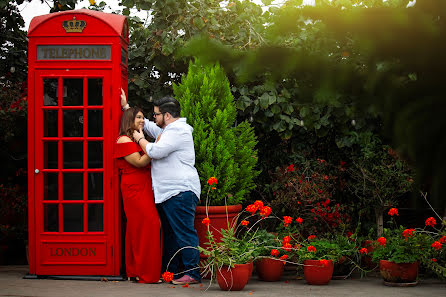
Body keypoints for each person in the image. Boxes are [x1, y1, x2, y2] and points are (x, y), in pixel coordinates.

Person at [121, 89, 201, 285]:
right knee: (172, 235)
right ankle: (171, 272)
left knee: (184, 233)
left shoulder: (178, 132)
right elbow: (144, 125)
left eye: (156, 114)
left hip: (180, 191)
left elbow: (155, 151)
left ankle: (192, 273)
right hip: (170, 193)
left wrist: (139, 139)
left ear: (166, 115)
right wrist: (126, 108)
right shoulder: (167, 131)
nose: (152, 117)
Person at [114, 107, 162, 283]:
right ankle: (147, 275)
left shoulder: (133, 138)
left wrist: (126, 104)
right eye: (139, 118)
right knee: (150, 225)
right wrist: (156, 145)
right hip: (134, 188)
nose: (143, 120)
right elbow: (141, 162)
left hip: (143, 187)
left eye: (143, 117)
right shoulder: (124, 140)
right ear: (129, 120)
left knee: (138, 229)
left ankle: (134, 270)